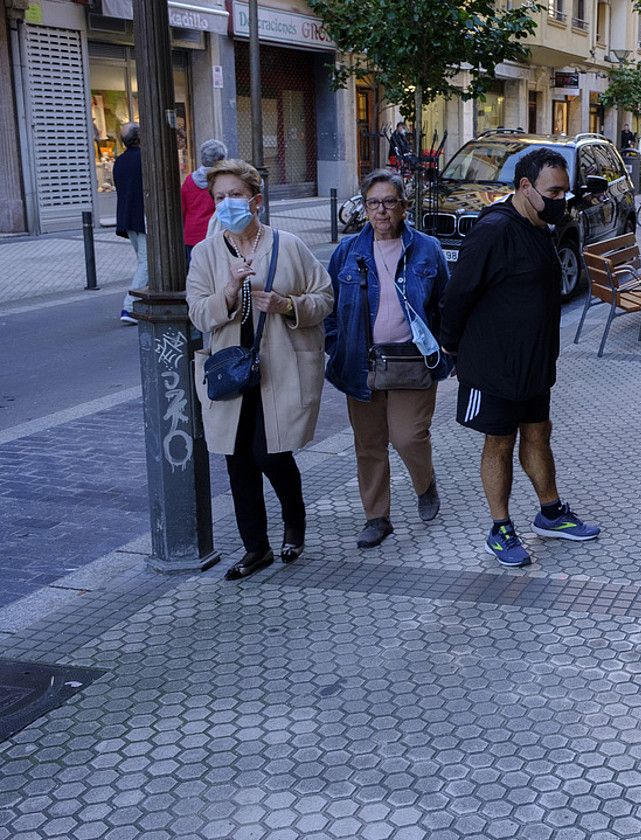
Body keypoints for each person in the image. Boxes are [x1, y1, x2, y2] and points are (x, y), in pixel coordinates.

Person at [438, 147, 601, 568]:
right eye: (554, 191)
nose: (561, 199)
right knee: (500, 442)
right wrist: (451, 346)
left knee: (538, 433)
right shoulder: (493, 231)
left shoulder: (540, 226)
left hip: (533, 365)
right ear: (526, 187)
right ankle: (501, 528)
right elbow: (458, 295)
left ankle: (550, 513)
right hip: (493, 366)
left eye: (565, 191)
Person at [186, 160, 334, 580]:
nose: (227, 204)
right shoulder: (205, 253)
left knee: (271, 454)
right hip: (230, 373)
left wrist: (287, 305)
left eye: (235, 195)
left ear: (255, 199)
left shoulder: (288, 245)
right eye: (219, 197)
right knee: (238, 462)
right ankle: (256, 548)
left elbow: (324, 297)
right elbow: (198, 314)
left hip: (280, 368)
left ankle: (294, 522)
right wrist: (230, 290)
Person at [325, 169, 452, 549]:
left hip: (412, 362)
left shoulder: (426, 248)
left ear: (404, 206)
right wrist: (337, 344)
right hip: (362, 363)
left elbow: (445, 303)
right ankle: (377, 517)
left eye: (389, 202)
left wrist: (445, 346)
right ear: (364, 208)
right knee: (369, 443)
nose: (381, 211)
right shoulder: (347, 252)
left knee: (408, 436)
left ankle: (425, 484)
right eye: (373, 203)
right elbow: (329, 307)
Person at [113, 123, 145, 325]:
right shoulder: (144, 158)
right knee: (148, 263)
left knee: (144, 261)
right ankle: (130, 305)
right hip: (144, 217)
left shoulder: (120, 161)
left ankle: (139, 302)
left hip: (128, 218)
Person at [180, 139, 227, 262]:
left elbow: (183, 209)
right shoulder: (222, 181)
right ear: (221, 160)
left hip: (191, 235)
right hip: (215, 233)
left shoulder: (189, 180)